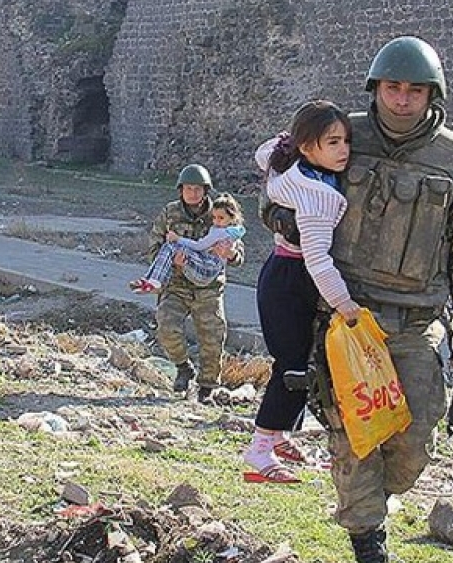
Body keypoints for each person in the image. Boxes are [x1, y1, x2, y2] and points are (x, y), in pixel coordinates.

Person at [300, 37, 453, 562]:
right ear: (376, 88)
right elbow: (285, 178)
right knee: (355, 438)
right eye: (391, 87)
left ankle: (372, 499)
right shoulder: (340, 136)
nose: (401, 100)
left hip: (416, 325)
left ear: (433, 94)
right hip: (347, 320)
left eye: (414, 89)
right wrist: (284, 217)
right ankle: (368, 542)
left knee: (411, 443)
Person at [243, 100, 360, 484]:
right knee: (292, 368)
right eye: (332, 142)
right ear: (308, 147)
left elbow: (265, 153)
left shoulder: (289, 167)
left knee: (300, 363)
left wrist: (287, 142)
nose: (343, 151)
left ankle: (278, 434)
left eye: (345, 141)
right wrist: (346, 305)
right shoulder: (316, 195)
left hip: (282, 274)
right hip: (292, 281)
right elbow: (318, 260)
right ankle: (259, 449)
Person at [148, 164, 244, 402]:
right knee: (166, 327)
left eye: (198, 189)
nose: (193, 193)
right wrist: (173, 262)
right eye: (188, 188)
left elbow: (238, 251)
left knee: (212, 337)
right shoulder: (169, 214)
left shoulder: (220, 212)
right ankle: (183, 367)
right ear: (180, 190)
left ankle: (207, 387)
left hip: (208, 287)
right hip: (177, 285)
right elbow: (154, 248)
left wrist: (231, 254)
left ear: (206, 190)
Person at [129, 193, 246, 294]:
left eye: (221, 218)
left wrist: (178, 239)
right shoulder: (171, 211)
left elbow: (200, 246)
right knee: (170, 247)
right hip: (181, 284)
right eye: (214, 218)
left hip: (208, 272)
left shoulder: (221, 231)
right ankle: (151, 280)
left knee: (171, 246)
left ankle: (153, 281)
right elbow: (154, 245)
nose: (216, 221)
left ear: (232, 217)